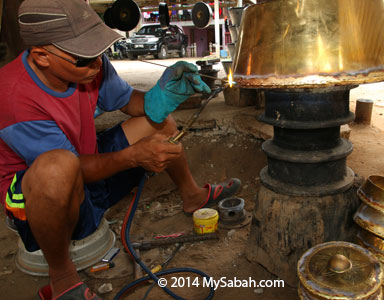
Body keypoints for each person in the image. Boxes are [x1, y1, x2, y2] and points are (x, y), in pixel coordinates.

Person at [0, 0, 241, 299]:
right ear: (42, 57)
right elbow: (69, 167)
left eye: (99, 54)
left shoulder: (90, 66)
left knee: (159, 123)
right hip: (42, 203)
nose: (97, 65)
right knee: (56, 167)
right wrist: (133, 157)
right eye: (85, 59)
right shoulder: (12, 96)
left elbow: (130, 103)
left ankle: (193, 195)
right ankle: (61, 274)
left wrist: (160, 96)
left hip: (85, 171)